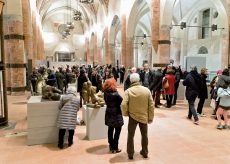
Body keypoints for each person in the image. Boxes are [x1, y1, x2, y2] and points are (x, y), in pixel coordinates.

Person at [121, 73, 154, 160]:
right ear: (139, 80)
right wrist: (150, 117)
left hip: (133, 116)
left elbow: (123, 104)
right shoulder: (146, 90)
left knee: (131, 135)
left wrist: (126, 113)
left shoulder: (128, 91)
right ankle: (145, 152)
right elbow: (151, 105)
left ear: (131, 81)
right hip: (144, 116)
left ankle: (130, 154)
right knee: (144, 135)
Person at [103, 78, 124, 153]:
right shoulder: (116, 94)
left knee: (110, 128)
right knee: (118, 130)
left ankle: (111, 145)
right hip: (116, 113)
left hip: (108, 112)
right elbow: (122, 101)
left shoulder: (105, 92)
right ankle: (115, 147)